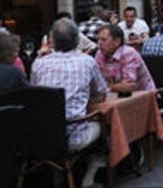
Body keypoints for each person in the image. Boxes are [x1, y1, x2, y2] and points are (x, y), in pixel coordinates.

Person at [31, 18, 108, 187]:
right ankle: (92, 169)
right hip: (73, 136)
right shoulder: (87, 61)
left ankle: (60, 173)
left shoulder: (38, 64)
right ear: (76, 40)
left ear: (52, 41)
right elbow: (101, 93)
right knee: (104, 125)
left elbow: (36, 94)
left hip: (41, 136)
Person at [95, 24, 156, 93]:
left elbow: (129, 86)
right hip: (115, 95)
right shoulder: (100, 54)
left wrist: (107, 87)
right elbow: (97, 82)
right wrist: (112, 87)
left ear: (117, 42)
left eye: (103, 40)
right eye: (98, 39)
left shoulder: (129, 53)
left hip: (143, 96)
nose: (99, 43)